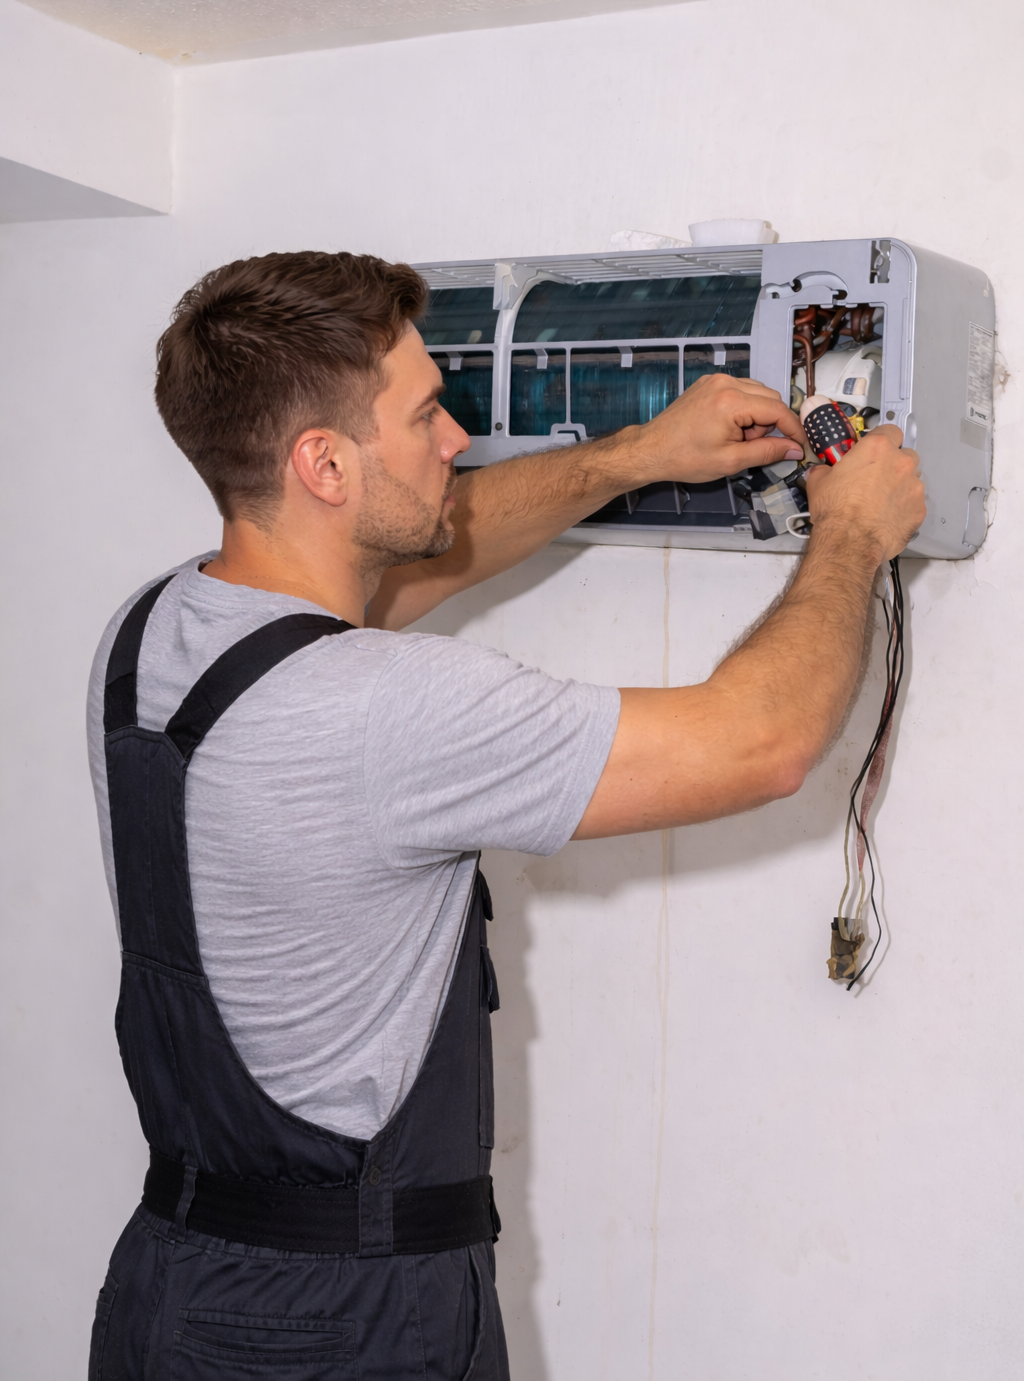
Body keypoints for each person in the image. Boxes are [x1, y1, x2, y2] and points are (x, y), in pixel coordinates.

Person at [86, 251, 924, 1380]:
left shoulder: (156, 631)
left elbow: (428, 552)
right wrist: (853, 536)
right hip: (348, 1327)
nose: (457, 440)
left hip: (172, 1288)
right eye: (426, 413)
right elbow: (759, 744)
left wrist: (637, 456)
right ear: (323, 463)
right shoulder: (383, 710)